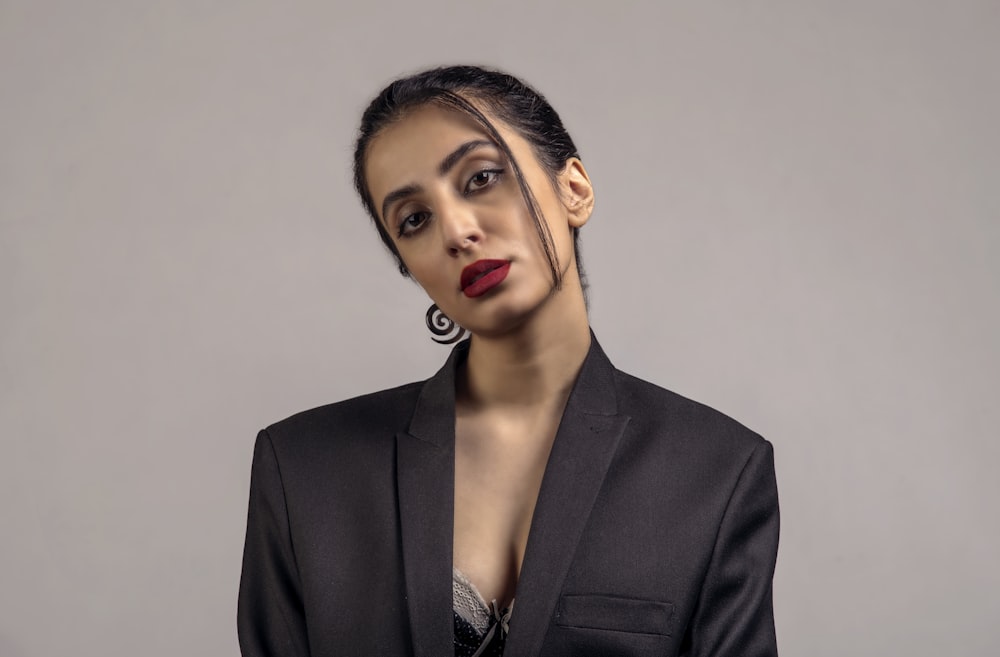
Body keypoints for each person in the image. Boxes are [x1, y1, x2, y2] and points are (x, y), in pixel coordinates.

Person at [237, 65, 780, 657]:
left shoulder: (717, 469)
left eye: (481, 178)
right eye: (414, 220)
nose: (458, 231)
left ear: (573, 189)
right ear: (409, 265)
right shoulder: (303, 470)